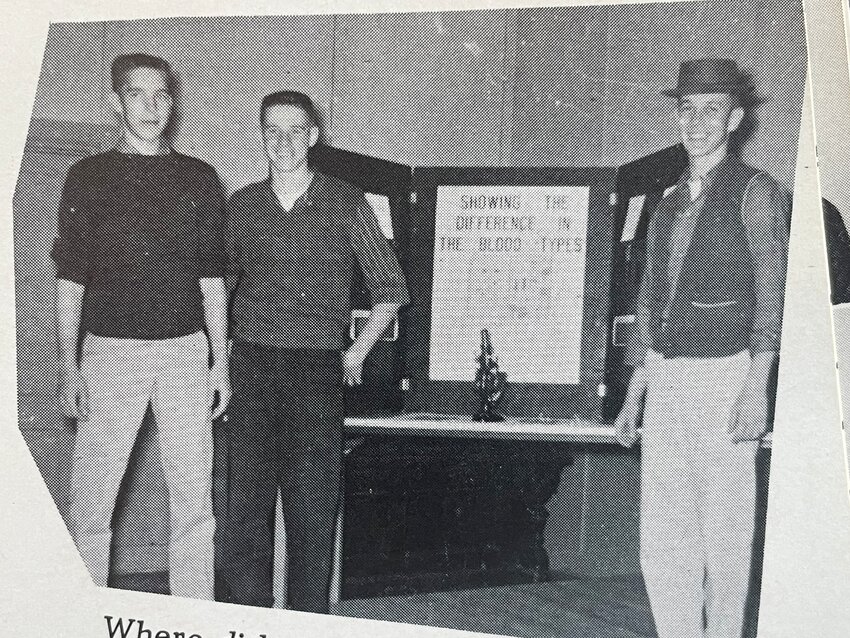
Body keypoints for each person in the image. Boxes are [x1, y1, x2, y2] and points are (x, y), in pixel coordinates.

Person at [614, 59, 788, 638]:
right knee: (663, 537)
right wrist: (636, 393)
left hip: (727, 375)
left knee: (726, 536)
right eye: (686, 110)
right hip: (666, 379)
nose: (695, 122)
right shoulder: (663, 204)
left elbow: (771, 292)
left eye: (710, 111)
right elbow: (648, 300)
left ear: (735, 119)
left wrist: (757, 388)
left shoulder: (758, 193)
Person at [217, 90, 409, 612]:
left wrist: (354, 354)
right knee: (244, 511)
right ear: (262, 136)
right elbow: (220, 287)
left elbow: (392, 288)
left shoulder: (345, 200)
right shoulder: (243, 205)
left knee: (311, 511)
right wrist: (220, 361)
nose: (282, 142)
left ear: (312, 137)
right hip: (252, 365)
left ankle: (307, 620)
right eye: (271, 131)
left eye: (294, 131)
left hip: (316, 371)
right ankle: (249, 617)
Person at [52, 53, 229, 599]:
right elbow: (69, 280)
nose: (152, 108)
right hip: (109, 353)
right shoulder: (88, 177)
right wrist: (69, 366)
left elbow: (212, 277)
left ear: (172, 102)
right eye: (137, 95)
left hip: (184, 354)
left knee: (194, 508)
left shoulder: (199, 178)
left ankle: (192, 617)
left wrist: (219, 361)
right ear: (116, 101)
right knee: (92, 505)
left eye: (162, 96)